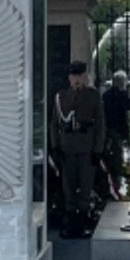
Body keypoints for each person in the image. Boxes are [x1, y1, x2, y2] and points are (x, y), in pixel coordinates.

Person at [52, 60, 105, 238]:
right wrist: (55, 146)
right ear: (69, 78)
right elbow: (54, 124)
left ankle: (82, 221)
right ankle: (70, 222)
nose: (77, 79)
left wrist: (98, 149)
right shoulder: (61, 97)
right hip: (66, 148)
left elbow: (100, 124)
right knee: (68, 187)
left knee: (85, 186)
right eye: (74, 76)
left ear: (85, 77)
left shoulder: (93, 95)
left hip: (86, 148)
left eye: (80, 76)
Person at [100, 70, 130, 199]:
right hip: (117, 131)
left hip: (107, 131)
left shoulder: (106, 95)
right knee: (117, 158)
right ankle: (116, 187)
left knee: (109, 157)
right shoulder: (121, 95)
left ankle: (111, 185)